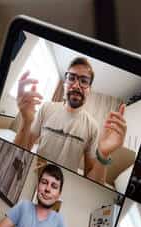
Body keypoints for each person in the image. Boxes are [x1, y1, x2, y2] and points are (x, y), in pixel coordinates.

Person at [13, 56, 127, 185]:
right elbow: (21, 152)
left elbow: (90, 180)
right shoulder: (46, 108)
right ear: (64, 84)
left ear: (89, 90)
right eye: (71, 78)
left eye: (84, 81)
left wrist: (104, 155)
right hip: (31, 177)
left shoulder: (92, 127)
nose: (76, 85)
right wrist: (26, 121)